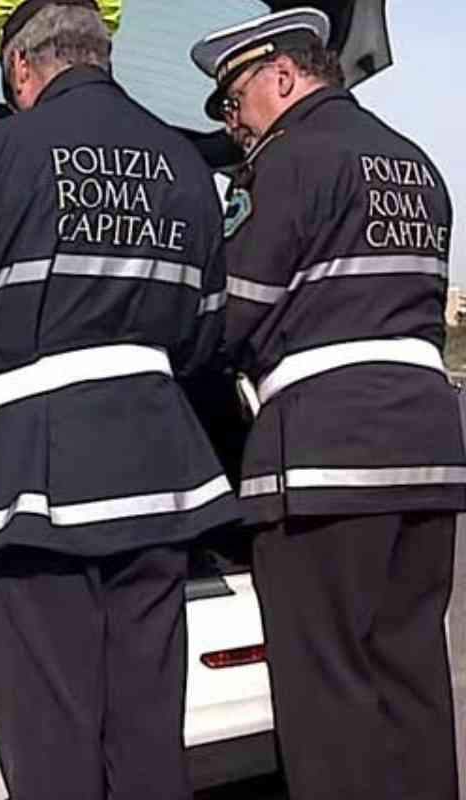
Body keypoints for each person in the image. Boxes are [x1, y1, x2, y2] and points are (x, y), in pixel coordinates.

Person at [0, 1, 237, 797]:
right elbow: (205, 338)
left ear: (21, 68)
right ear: (102, 55)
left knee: (51, 740)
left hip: (40, 480)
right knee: (147, 733)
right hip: (159, 476)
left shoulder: (1, 154)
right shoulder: (187, 168)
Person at [191, 9, 463, 799]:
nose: (233, 122)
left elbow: (233, 311)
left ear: (283, 76)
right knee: (411, 677)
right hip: (426, 449)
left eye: (235, 100)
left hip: (324, 455)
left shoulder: (288, 162)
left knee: (325, 691)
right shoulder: (415, 163)